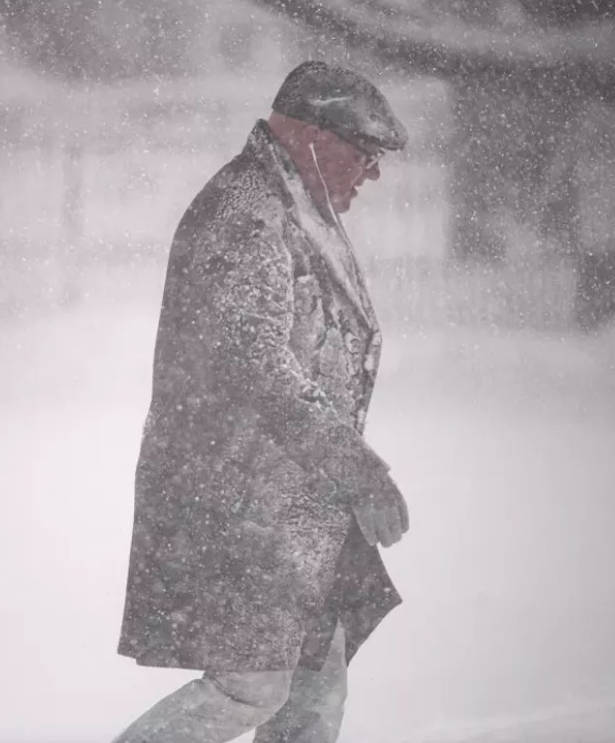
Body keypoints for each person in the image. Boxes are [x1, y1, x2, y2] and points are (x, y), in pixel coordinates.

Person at [112, 61, 411, 743]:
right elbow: (256, 369)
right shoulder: (247, 213)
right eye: (363, 155)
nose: (372, 174)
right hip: (237, 500)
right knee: (251, 688)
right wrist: (358, 468)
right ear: (311, 136)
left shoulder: (299, 208)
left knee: (314, 689)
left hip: (297, 507)